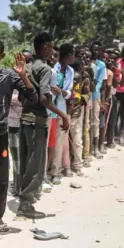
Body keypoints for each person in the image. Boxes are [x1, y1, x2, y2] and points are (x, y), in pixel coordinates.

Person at [0, 40, 37, 230]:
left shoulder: (9, 76)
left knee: (1, 180)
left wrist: (23, 75)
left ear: (2, 56)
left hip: (0, 136)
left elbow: (33, 97)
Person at [19, 32, 69, 219]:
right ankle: (26, 204)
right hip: (37, 121)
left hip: (25, 119)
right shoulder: (46, 70)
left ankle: (23, 197)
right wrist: (63, 115)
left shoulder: (28, 66)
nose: (53, 51)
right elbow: (44, 98)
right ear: (46, 48)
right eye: (52, 47)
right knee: (37, 165)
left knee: (26, 162)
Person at [49, 44, 75, 184]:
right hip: (50, 109)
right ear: (68, 55)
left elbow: (69, 91)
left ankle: (55, 171)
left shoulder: (70, 71)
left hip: (62, 108)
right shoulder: (54, 70)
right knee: (49, 143)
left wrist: (63, 92)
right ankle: (46, 171)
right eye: (72, 55)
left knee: (59, 142)